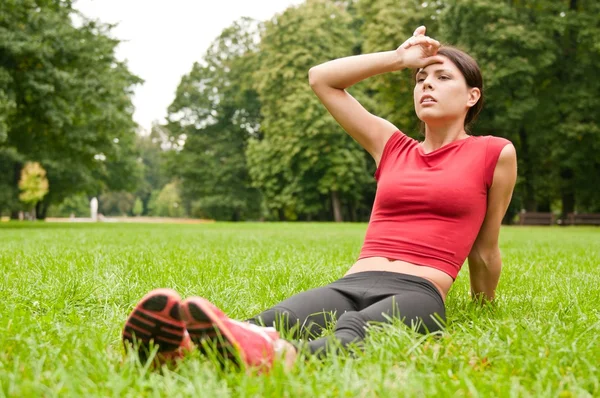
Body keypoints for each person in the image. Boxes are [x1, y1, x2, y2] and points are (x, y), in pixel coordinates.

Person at [122, 26, 517, 372]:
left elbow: (485, 249)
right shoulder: (391, 145)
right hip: (354, 281)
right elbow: (322, 79)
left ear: (472, 96)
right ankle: (178, 351)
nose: (426, 84)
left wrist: (483, 309)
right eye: (420, 78)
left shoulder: (494, 153)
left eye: (442, 77)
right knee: (274, 319)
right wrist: (397, 58)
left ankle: (285, 359)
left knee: (356, 331)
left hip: (419, 291)